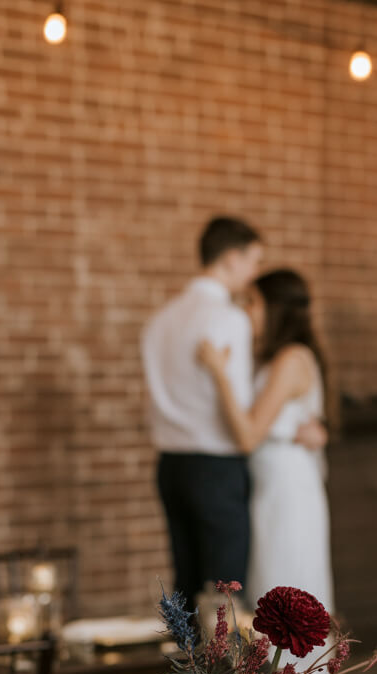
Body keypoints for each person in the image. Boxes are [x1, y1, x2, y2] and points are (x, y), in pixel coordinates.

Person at [196, 268, 334, 624]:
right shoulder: (268, 358)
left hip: (286, 489)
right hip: (266, 485)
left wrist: (218, 373)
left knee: (283, 585)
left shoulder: (291, 359)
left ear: (276, 308)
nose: (246, 311)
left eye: (253, 302)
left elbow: (248, 434)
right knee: (265, 585)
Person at [141, 217, 263, 613]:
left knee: (186, 584)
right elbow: (239, 409)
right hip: (217, 467)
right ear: (231, 258)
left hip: (171, 465)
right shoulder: (229, 319)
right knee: (224, 597)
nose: (254, 273)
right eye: (253, 261)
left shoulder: (159, 321)